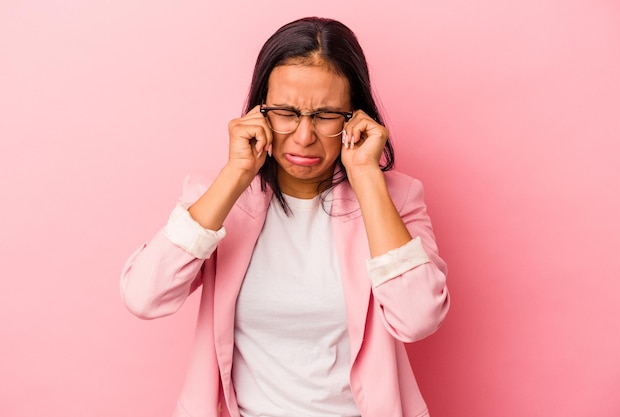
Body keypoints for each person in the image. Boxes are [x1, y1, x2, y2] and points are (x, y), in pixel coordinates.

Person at [121, 16, 450, 417]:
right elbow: (144, 296)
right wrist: (236, 174)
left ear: (356, 118)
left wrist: (366, 176)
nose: (304, 136)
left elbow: (417, 320)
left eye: (326, 115)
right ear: (260, 112)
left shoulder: (396, 198)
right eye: (286, 112)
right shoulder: (216, 197)